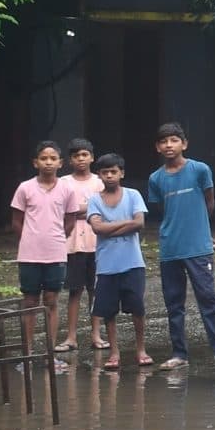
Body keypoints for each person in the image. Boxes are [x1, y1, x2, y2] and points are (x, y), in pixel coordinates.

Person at [142, 122, 215, 371]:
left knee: (208, 300)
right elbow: (161, 210)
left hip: (198, 247)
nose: (169, 145)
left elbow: (209, 203)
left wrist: (199, 229)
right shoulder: (155, 178)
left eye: (174, 140)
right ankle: (179, 353)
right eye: (164, 141)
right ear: (158, 147)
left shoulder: (200, 169)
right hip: (170, 248)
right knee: (174, 304)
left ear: (184, 144)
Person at [9, 141, 75, 362]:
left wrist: (55, 239)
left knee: (51, 300)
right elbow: (16, 221)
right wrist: (30, 239)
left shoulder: (67, 189)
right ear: (35, 162)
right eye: (44, 158)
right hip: (29, 254)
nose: (48, 162)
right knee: (29, 302)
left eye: (53, 158)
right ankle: (26, 353)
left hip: (56, 253)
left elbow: (70, 220)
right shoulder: (25, 188)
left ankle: (50, 353)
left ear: (60, 163)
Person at [83, 153, 149, 373]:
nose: (110, 176)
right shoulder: (94, 199)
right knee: (109, 311)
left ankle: (141, 349)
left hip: (133, 263)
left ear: (121, 173)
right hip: (106, 265)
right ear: (99, 174)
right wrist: (126, 223)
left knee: (137, 308)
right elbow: (97, 229)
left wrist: (110, 226)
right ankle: (114, 352)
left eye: (114, 171)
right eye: (105, 172)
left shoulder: (133, 195)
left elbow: (139, 223)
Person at [58, 139, 107, 362]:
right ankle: (71, 337)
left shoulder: (99, 182)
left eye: (85, 155)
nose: (80, 159)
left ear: (92, 158)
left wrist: (78, 210)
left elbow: (105, 207)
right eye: (76, 155)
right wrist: (86, 210)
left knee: (95, 289)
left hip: (97, 243)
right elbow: (61, 210)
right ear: (70, 160)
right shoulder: (63, 183)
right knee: (74, 291)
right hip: (72, 244)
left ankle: (96, 334)